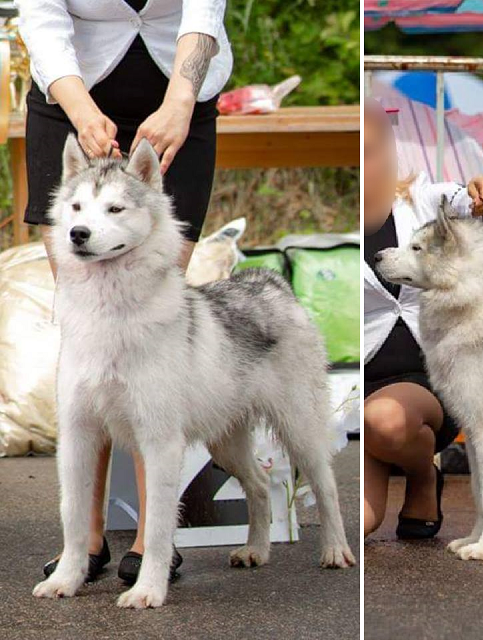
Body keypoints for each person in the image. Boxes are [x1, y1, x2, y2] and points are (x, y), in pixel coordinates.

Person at [19, 0, 230, 585]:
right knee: (85, 327)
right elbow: (41, 20)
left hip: (179, 101)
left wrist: (180, 102)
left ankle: (151, 540)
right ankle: (82, 540)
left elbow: (203, 9)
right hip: (71, 99)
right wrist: (83, 114)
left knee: (155, 343)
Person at [361, 100, 483, 538]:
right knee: (360, 528)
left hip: (427, 379)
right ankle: (394, 459)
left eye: (369, 151)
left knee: (385, 420)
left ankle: (423, 475)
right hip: (354, 389)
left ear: (389, 151)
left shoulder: (424, 201)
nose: (361, 165)